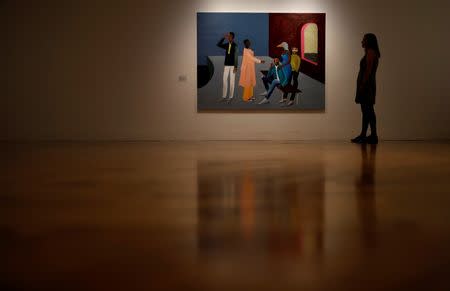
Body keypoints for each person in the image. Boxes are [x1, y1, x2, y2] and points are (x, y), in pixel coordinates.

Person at [351, 33, 381, 144]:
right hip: (367, 85)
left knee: (368, 110)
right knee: (367, 111)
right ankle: (368, 135)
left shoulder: (370, 53)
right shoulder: (370, 52)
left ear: (368, 41)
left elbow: (368, 71)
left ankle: (371, 135)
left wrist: (362, 85)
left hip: (367, 86)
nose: (361, 41)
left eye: (363, 40)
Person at [217, 32, 238, 102]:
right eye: (228, 36)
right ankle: (224, 96)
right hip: (226, 65)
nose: (228, 37)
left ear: (232, 37)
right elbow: (218, 45)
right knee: (224, 80)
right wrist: (223, 38)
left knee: (232, 82)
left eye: (230, 36)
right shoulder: (226, 45)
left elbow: (236, 56)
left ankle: (230, 97)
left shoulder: (235, 45)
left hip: (233, 66)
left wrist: (236, 67)